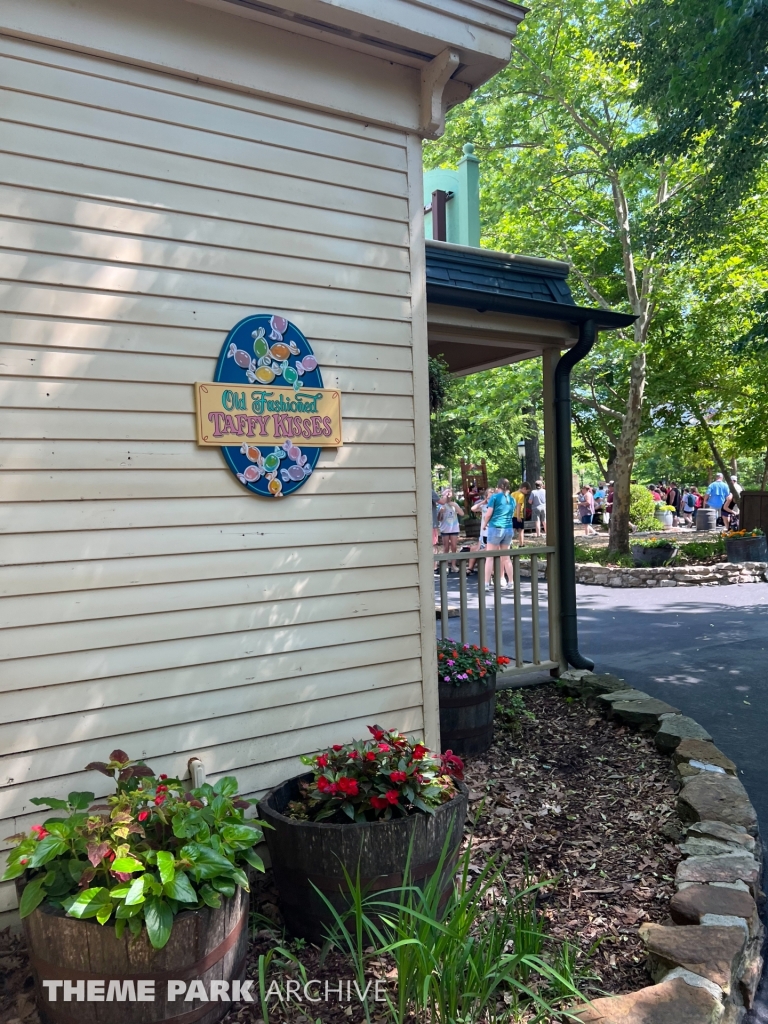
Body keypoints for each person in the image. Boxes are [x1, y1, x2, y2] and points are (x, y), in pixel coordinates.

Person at [481, 478, 516, 591]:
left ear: (498, 487)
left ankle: (486, 584)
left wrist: (484, 524)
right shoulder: (512, 499)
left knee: (489, 557)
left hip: (495, 527)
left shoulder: (495, 497)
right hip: (508, 528)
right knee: (506, 557)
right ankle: (511, 582)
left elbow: (488, 514)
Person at [467, 486, 495, 575]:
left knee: (487, 551)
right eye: (489, 498)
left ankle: (491, 571)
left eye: (492, 497)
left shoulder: (496, 506)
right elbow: (473, 509)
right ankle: (470, 568)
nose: (490, 500)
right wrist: (483, 502)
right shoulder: (484, 506)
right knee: (473, 548)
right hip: (483, 534)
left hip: (492, 533)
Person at [437, 488, 464, 572]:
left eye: (450, 493)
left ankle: (453, 565)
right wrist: (440, 512)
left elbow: (462, 514)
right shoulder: (441, 505)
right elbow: (439, 519)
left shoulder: (454, 504)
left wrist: (455, 506)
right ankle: (445, 566)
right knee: (446, 547)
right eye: (446, 493)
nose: (448, 494)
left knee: (454, 547)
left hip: (454, 528)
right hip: (445, 529)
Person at [511, 481, 532, 547]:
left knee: (512, 530)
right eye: (527, 491)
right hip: (519, 515)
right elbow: (519, 505)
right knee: (521, 530)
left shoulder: (512, 493)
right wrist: (518, 516)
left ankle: (509, 543)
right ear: (524, 488)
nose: (527, 493)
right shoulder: (521, 495)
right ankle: (521, 544)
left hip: (512, 515)